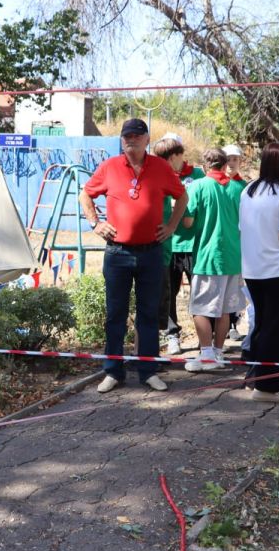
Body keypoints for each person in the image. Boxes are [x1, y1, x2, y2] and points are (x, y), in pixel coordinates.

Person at [80, 118, 188, 393]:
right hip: (117, 253)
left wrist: (173, 225)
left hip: (151, 252)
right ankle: (113, 372)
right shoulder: (110, 167)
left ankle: (148, 371)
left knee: (148, 315)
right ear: (121, 139)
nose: (131, 140)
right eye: (126, 136)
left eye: (136, 136)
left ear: (147, 139)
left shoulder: (161, 167)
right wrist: (95, 223)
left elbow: (182, 196)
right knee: (115, 314)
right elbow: (86, 194)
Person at [239, 143, 279, 402]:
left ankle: (254, 378)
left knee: (262, 325)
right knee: (276, 329)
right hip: (277, 271)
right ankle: (267, 388)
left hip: (253, 269)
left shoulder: (249, 190)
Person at [182, 148, 246, 372]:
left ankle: (207, 354)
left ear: (204, 165)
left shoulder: (197, 186)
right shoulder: (239, 188)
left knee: (200, 307)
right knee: (225, 310)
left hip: (209, 256)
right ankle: (218, 352)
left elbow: (188, 222)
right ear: (224, 163)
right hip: (234, 257)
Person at [153, 134, 204, 356]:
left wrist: (185, 205)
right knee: (168, 293)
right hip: (169, 245)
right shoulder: (159, 174)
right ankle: (172, 335)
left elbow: (204, 205)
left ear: (176, 156)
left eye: (166, 158)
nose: (163, 163)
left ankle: (206, 340)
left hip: (194, 245)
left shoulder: (198, 175)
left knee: (200, 293)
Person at [222, 144, 248, 341]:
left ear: (241, 162)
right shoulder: (215, 184)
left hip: (238, 245)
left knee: (235, 289)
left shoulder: (245, 187)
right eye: (228, 159)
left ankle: (233, 324)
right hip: (218, 244)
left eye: (235, 159)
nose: (231, 163)